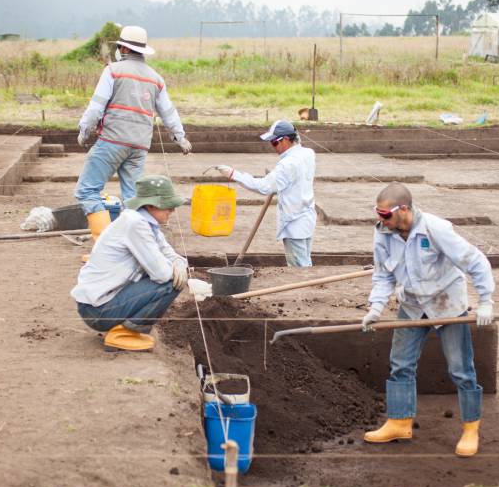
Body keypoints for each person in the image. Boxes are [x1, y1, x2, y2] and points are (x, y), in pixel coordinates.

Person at [360, 182, 495, 456]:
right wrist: (375, 307)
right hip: (411, 304)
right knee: (400, 364)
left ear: (404, 210)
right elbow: (383, 275)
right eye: (378, 213)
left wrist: (486, 301)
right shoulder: (383, 235)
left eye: (385, 214)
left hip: (446, 304)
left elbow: (475, 261)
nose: (380, 219)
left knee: (460, 369)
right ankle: (399, 421)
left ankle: (471, 428)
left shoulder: (435, 229)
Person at [75, 25, 191, 238]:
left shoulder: (112, 71)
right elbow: (168, 111)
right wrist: (180, 137)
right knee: (132, 198)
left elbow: (96, 107)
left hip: (112, 141)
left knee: (88, 191)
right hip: (139, 147)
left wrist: (84, 130)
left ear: (123, 49)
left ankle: (103, 246)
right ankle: (135, 245)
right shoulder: (156, 78)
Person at [71, 175, 188, 352]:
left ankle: (122, 328)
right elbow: (162, 274)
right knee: (171, 282)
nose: (171, 210)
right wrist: (176, 269)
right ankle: (124, 334)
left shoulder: (146, 223)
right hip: (98, 312)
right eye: (168, 206)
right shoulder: (135, 224)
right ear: (150, 205)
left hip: (100, 305)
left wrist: (178, 262)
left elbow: (168, 251)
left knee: (172, 273)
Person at [215, 120, 316, 267]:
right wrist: (276, 178)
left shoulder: (287, 164)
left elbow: (263, 187)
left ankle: (306, 289)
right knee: (305, 261)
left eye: (275, 142)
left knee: (299, 267)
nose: (273, 146)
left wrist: (233, 174)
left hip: (295, 224)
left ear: (287, 140)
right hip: (306, 219)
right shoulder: (308, 153)